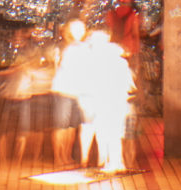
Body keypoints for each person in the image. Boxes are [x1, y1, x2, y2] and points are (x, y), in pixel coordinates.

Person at [52, 20, 136, 172]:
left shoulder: (107, 56)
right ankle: (113, 162)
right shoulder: (109, 55)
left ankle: (112, 162)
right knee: (110, 132)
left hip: (110, 100)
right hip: (108, 100)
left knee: (110, 131)